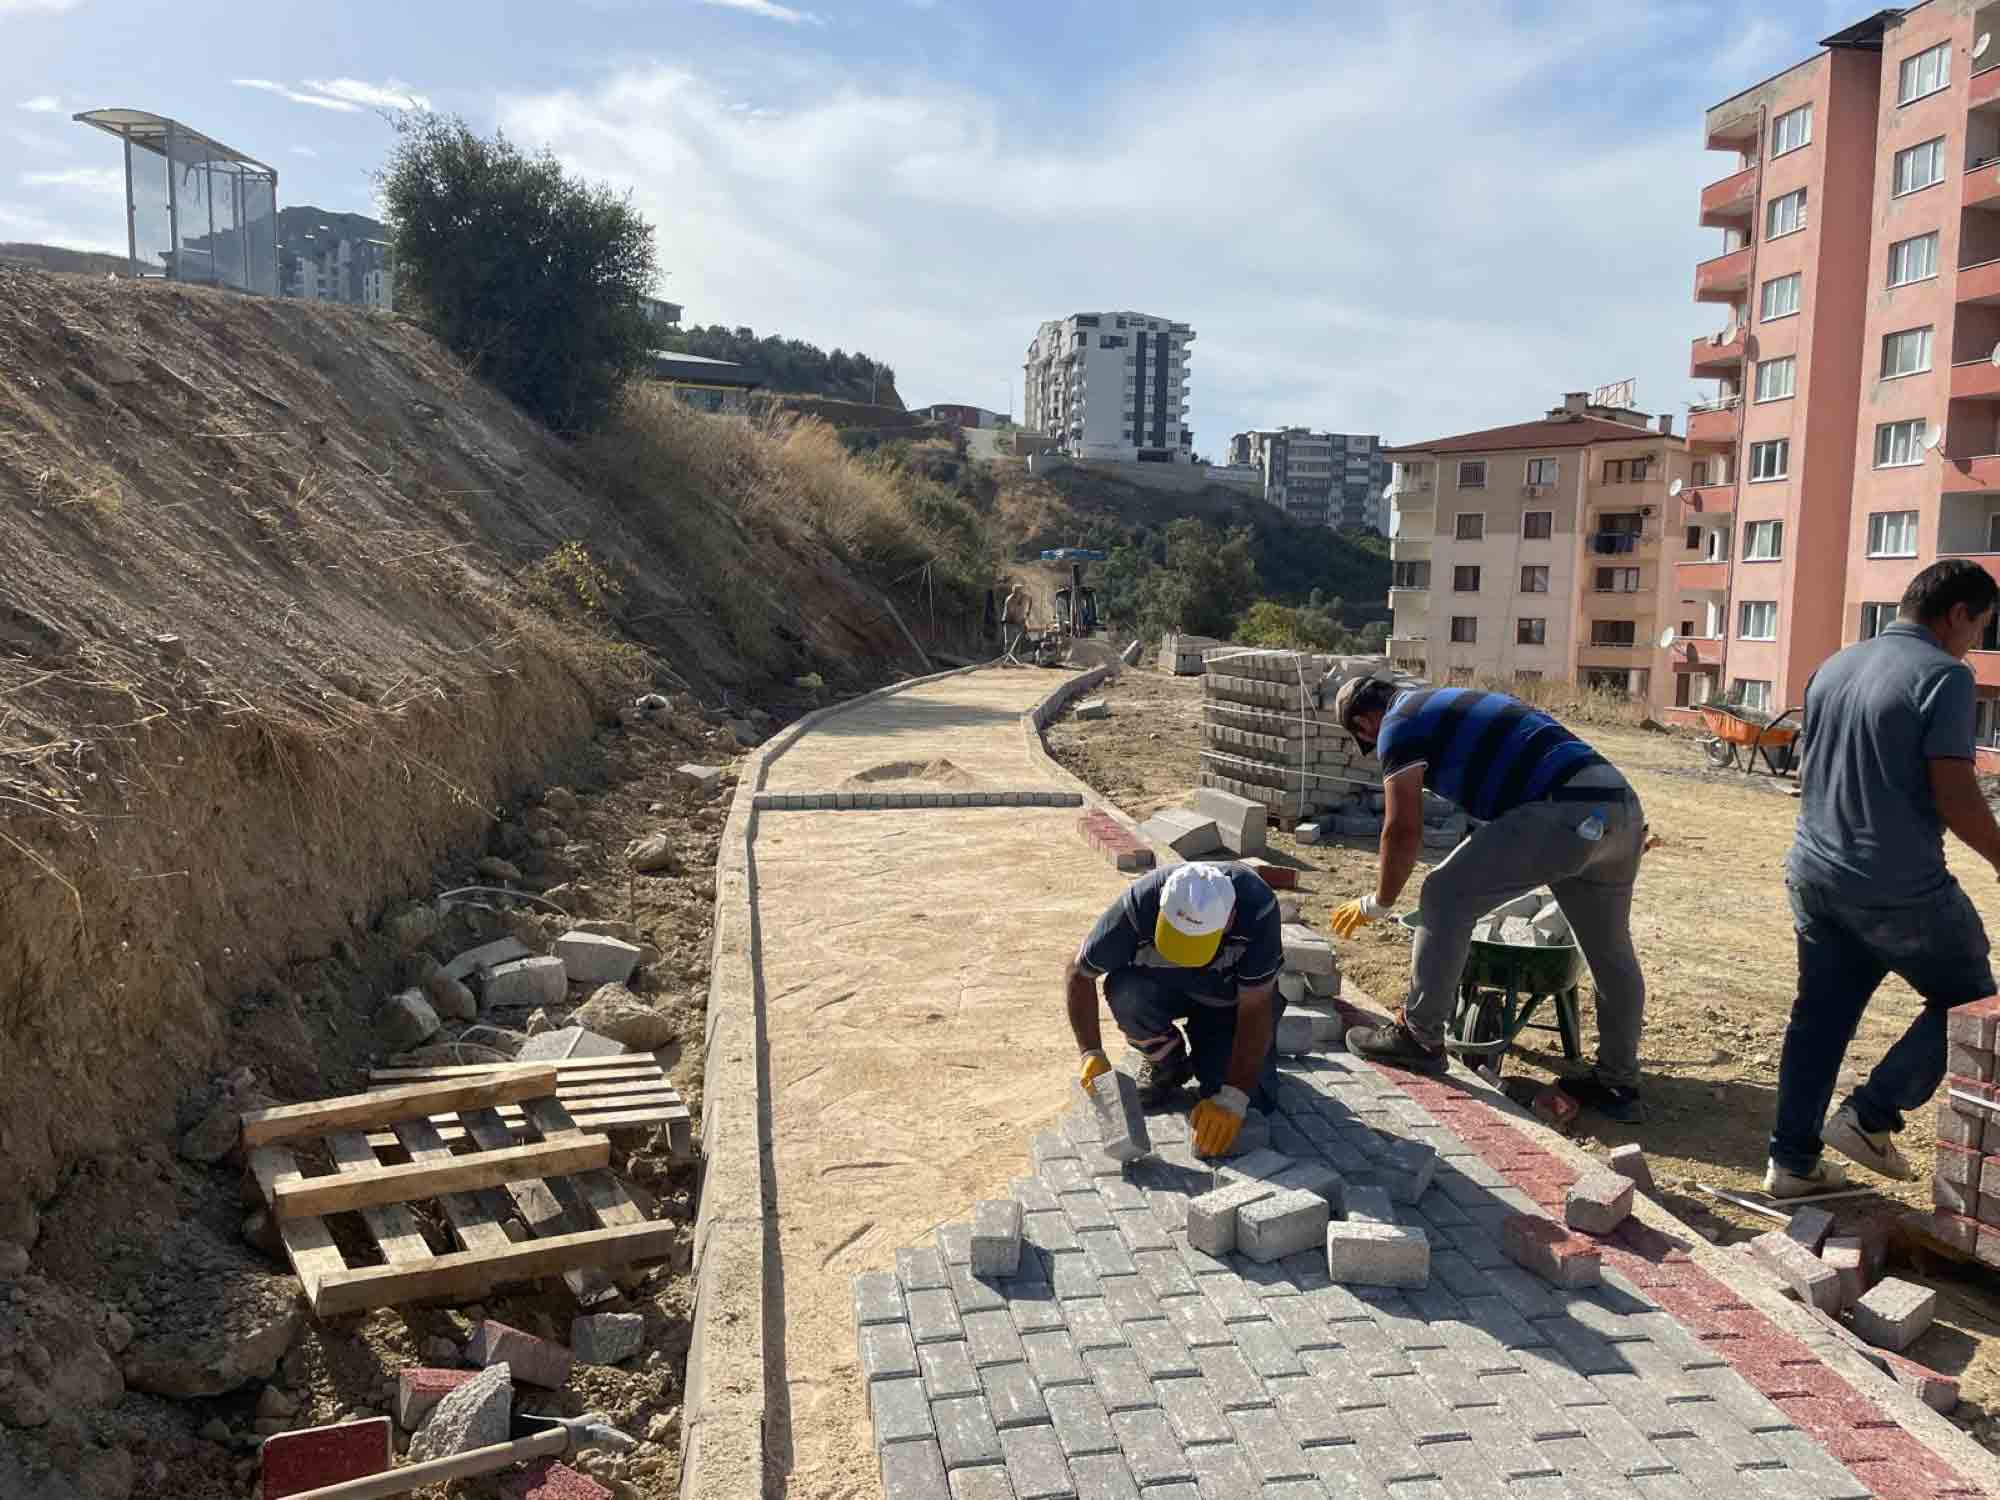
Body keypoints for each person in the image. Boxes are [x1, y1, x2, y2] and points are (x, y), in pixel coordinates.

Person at [1765, 559, 2000, 1198]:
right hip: (1896, 889)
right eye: (1978, 627)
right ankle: (1871, 1117)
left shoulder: (1835, 665)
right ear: (1956, 614)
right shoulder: (1945, 678)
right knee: (1972, 1000)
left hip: (1815, 875)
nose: (1975, 642)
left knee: (1819, 1017)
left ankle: (1790, 1163)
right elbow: (1956, 797)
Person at [1328, 677, 1649, 1120]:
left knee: (1443, 895)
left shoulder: (1397, 724)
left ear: (1365, 723)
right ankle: (1618, 1083)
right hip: (1621, 811)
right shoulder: (1447, 704)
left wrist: (1379, 902)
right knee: (1610, 951)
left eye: (1366, 739)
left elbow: (1403, 830)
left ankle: (1419, 1037)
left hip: (1565, 810)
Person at [1066, 861, 1287, 1157]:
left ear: (1229, 919)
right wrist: (1090, 1052)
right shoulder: (1140, 902)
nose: (1184, 956)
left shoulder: (1257, 909)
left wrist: (1234, 1095)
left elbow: (1257, 1007)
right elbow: (1078, 973)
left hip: (1229, 1006)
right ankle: (1167, 1063)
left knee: (1254, 1102)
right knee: (1126, 991)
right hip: (1164, 989)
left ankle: (1211, 1049)